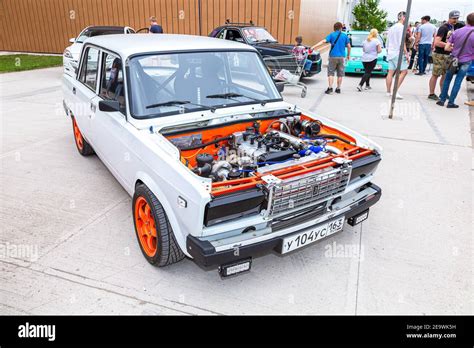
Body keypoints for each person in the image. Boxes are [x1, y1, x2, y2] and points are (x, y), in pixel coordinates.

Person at [436, 12, 474, 108]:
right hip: (467, 60)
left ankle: (442, 100)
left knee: (447, 79)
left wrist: (455, 48)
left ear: (467, 21)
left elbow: (447, 48)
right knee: (458, 81)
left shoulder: (457, 31)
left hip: (454, 59)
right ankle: (451, 102)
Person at [428, 10, 460, 100]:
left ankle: (443, 93)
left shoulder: (453, 27)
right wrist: (449, 45)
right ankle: (431, 93)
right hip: (439, 54)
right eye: (454, 18)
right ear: (449, 18)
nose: (455, 20)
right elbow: (437, 42)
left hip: (448, 54)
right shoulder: (444, 27)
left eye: (457, 18)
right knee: (436, 74)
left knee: (445, 75)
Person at [311, 22, 351, 94]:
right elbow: (349, 46)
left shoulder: (332, 35)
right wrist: (348, 55)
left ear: (334, 28)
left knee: (331, 73)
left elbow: (323, 41)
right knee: (340, 74)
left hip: (333, 56)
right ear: (341, 28)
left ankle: (330, 88)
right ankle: (338, 89)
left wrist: (313, 47)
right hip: (342, 57)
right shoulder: (345, 36)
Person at [385, 11, 410, 100]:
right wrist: (407, 54)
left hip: (391, 52)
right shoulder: (402, 27)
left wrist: (388, 51)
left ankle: (388, 91)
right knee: (404, 71)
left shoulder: (392, 28)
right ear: (402, 17)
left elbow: (387, 42)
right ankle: (394, 91)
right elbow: (402, 43)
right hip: (397, 52)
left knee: (390, 72)